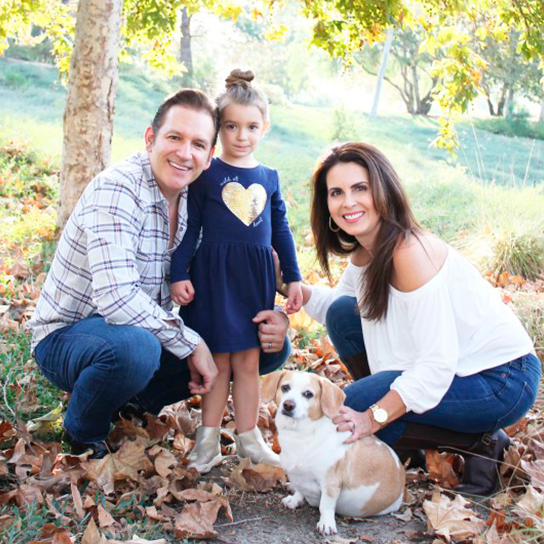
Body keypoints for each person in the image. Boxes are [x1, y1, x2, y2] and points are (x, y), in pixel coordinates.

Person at [28, 88, 291, 460]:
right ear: (151, 138)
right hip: (70, 337)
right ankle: (83, 431)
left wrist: (279, 315)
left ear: (210, 155)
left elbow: (239, 269)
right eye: (174, 138)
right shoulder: (118, 189)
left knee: (261, 342)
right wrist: (192, 343)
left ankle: (131, 402)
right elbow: (117, 301)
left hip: (143, 332)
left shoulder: (197, 195)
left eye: (198, 144)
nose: (186, 153)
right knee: (136, 348)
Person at [288, 142, 540, 496]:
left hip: (499, 379)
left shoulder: (409, 253)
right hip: (453, 370)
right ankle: (406, 431)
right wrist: (286, 284)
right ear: (327, 205)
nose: (348, 202)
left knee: (353, 412)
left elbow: (436, 365)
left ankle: (480, 441)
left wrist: (372, 416)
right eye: (336, 192)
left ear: (383, 190)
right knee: (344, 314)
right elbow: (336, 308)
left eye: (360, 188)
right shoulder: (367, 250)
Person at [170, 70, 303, 472]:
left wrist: (293, 278)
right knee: (218, 361)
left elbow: (280, 229)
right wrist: (179, 273)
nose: (241, 136)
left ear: (264, 128)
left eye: (251, 126)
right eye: (231, 126)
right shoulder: (206, 175)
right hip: (214, 278)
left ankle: (249, 439)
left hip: (254, 281)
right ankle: (207, 442)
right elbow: (190, 227)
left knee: (247, 362)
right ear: (218, 128)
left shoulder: (269, 177)